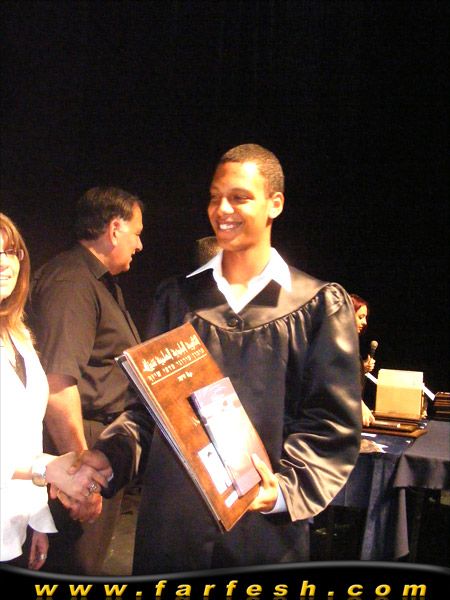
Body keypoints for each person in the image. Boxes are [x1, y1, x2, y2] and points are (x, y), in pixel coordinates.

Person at [84, 143, 362, 574]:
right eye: (215, 197)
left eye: (239, 197)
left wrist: (282, 491)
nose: (222, 209)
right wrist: (110, 456)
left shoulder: (316, 306)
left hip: (265, 534)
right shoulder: (178, 298)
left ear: (275, 204)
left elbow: (331, 424)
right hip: (172, 531)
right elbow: (148, 411)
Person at [28, 187, 144, 575]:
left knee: (86, 566)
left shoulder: (99, 283)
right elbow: (58, 386)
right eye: (136, 233)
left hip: (98, 444)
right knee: (73, 569)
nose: (139, 244)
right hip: (78, 443)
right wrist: (83, 476)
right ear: (114, 229)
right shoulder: (72, 281)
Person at [0, 213, 111, 570]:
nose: (5, 264)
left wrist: (37, 521)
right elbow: (37, 461)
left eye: (11, 252)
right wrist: (47, 468)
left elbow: (26, 434)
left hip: (13, 528)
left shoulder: (17, 334)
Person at [349, 293, 376, 427]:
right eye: (360, 317)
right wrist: (358, 403)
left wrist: (362, 368)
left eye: (365, 317)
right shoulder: (334, 344)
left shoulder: (350, 343)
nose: (365, 322)